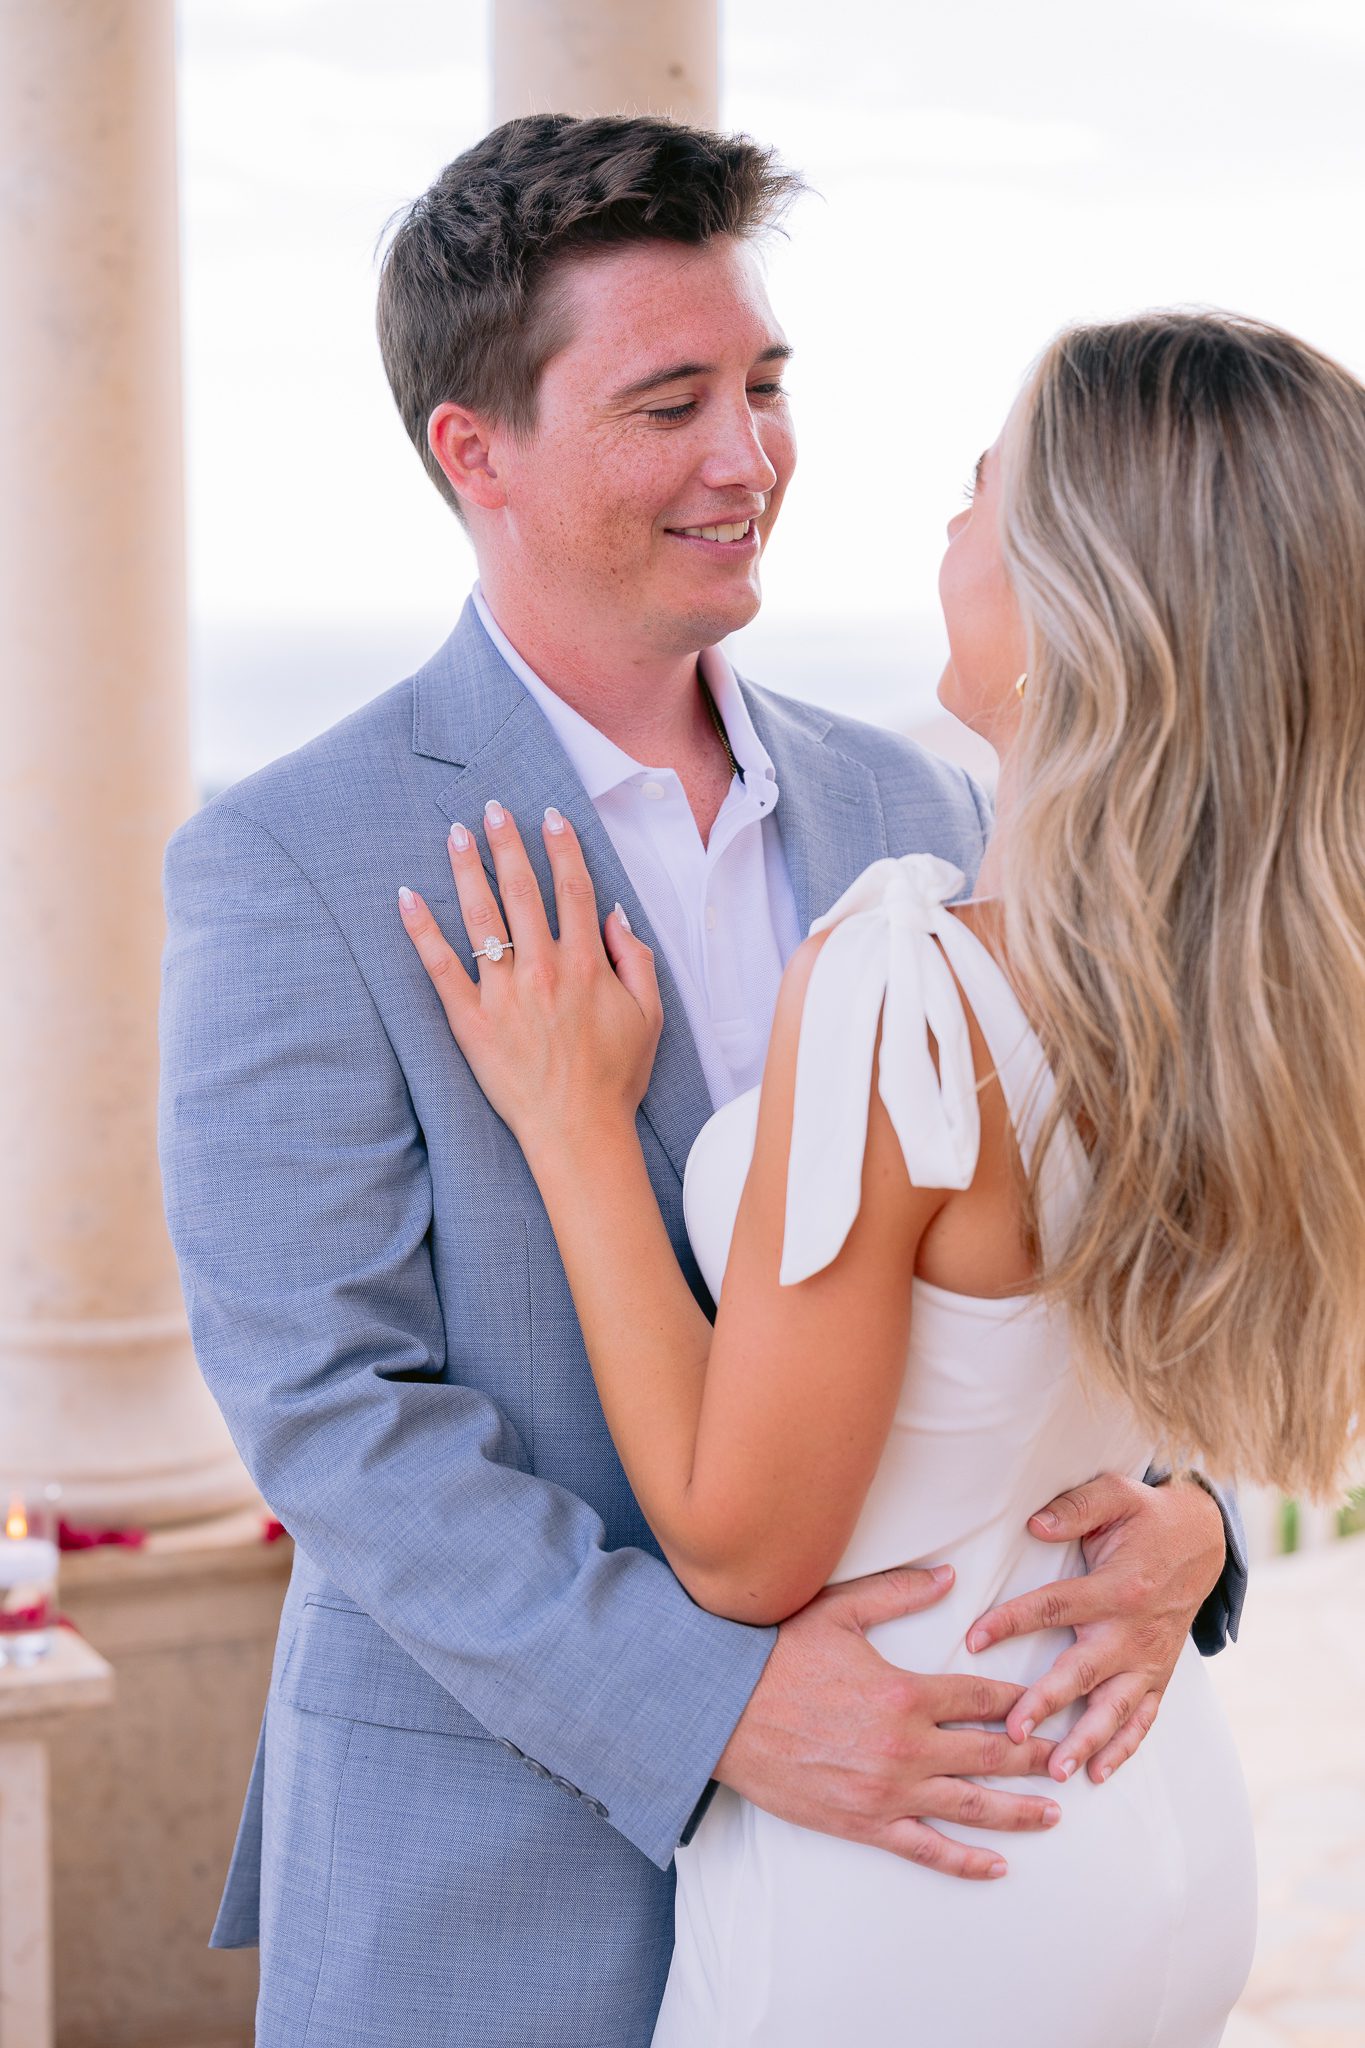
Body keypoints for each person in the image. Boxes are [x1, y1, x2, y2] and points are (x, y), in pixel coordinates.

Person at [158, 117, 1245, 2048]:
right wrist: (715, 1707)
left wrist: (1192, 1516)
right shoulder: (291, 861)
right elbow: (329, 1410)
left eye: (764, 386)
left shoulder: (920, 801)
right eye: (670, 405)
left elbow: (1089, 1233)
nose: (748, 458)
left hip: (925, 1879)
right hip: (492, 1880)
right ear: (473, 451)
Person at [401, 305, 1365, 2043]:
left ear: (1082, 594)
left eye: (989, 489)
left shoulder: (909, 983)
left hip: (914, 1867)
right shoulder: (1266, 982)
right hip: (1139, 1819)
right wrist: (1195, 1511)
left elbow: (737, 1551)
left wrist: (574, 1128)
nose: (948, 520)